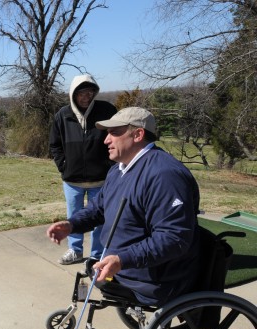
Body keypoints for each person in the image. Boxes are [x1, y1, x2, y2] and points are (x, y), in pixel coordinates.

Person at [46, 107, 200, 306]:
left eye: (115, 132)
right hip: (124, 268)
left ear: (138, 134)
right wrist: (71, 225)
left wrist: (122, 260)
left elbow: (174, 237)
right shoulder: (117, 170)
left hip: (152, 278)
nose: (106, 140)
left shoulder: (165, 176)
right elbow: (98, 209)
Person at [49, 75, 117, 265]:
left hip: (101, 180)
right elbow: (55, 145)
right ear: (73, 94)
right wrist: (64, 166)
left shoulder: (106, 111)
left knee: (99, 219)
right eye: (81, 93)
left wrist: (110, 167)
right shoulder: (63, 115)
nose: (86, 97)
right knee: (74, 218)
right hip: (72, 181)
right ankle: (75, 250)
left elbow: (118, 136)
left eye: (90, 92)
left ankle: (97, 254)